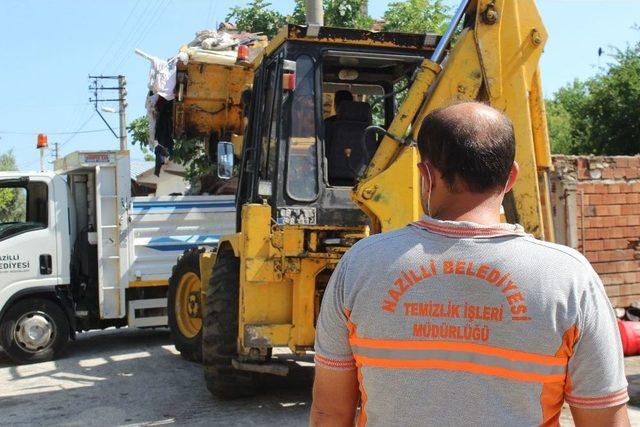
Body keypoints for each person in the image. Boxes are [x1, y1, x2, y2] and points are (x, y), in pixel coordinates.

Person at [310, 102, 630, 426]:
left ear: (426, 175)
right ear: (511, 177)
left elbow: (329, 413)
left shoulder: (359, 266)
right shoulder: (570, 278)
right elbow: (605, 418)